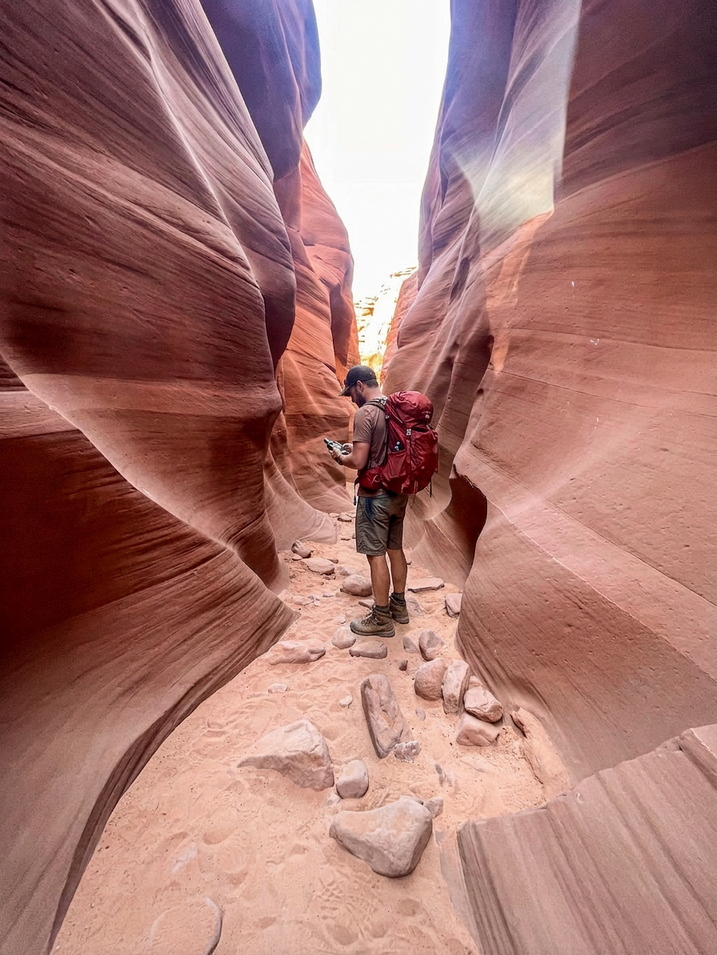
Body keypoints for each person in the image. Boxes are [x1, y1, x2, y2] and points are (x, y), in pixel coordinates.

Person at [328, 365, 409, 637]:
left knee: (375, 556)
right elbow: (383, 447)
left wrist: (341, 456)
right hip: (399, 491)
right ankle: (400, 606)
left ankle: (382, 617)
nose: (351, 398)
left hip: (375, 495)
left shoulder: (365, 412)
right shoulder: (395, 408)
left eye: (351, 392)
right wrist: (357, 448)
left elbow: (359, 461)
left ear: (360, 385)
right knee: (394, 549)